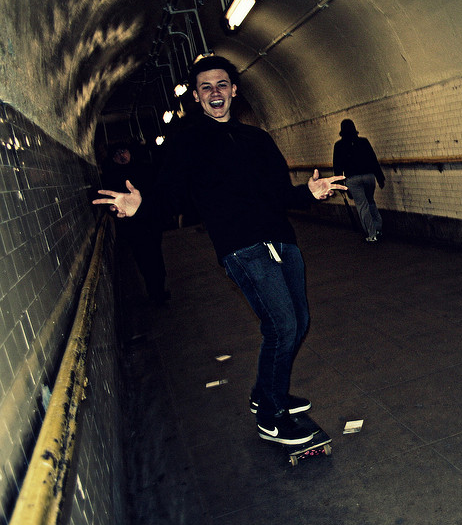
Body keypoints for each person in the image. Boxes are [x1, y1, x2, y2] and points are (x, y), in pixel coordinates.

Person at [94, 55, 346, 446]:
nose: (216, 92)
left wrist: (308, 193)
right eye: (206, 87)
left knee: (299, 321)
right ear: (196, 96)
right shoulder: (187, 142)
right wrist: (141, 207)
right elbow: (171, 195)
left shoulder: (257, 139)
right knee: (282, 326)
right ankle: (271, 417)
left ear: (234, 90)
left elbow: (281, 193)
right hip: (242, 248)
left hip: (282, 241)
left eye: (222, 84)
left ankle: (265, 392)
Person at [101, 141, 169, 304]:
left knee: (156, 256)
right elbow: (109, 203)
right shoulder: (111, 177)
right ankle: (155, 292)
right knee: (144, 259)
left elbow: (157, 193)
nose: (121, 156)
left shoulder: (144, 169)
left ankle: (158, 289)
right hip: (133, 227)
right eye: (117, 154)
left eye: (123, 151)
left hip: (151, 222)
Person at [332, 119, 385, 242]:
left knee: (362, 206)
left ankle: (372, 234)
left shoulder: (339, 146)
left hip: (353, 179)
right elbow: (373, 159)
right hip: (368, 176)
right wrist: (380, 177)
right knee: (371, 202)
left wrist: (340, 184)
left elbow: (337, 166)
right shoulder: (363, 142)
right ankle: (378, 228)